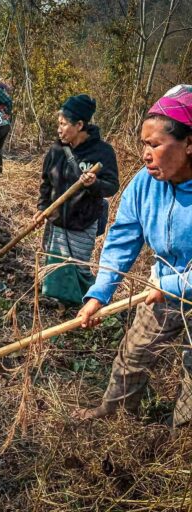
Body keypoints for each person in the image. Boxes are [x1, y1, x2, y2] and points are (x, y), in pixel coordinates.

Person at [74, 85, 192, 427]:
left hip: (171, 283)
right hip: (163, 286)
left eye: (155, 144)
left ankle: (180, 438)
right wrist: (99, 293)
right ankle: (114, 418)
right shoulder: (145, 184)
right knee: (133, 355)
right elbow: (124, 238)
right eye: (144, 144)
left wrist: (171, 283)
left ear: (188, 143)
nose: (145, 154)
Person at [32, 94, 119, 305]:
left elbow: (111, 186)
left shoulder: (102, 152)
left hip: (83, 222)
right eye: (58, 124)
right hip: (57, 221)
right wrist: (42, 208)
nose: (59, 129)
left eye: (64, 124)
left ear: (80, 124)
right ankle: (56, 301)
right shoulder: (56, 150)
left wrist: (94, 184)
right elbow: (46, 183)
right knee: (55, 265)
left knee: (78, 268)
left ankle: (89, 302)